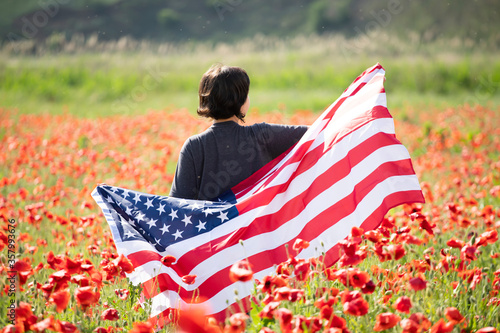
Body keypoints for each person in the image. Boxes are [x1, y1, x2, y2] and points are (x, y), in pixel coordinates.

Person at [169, 64, 308, 201]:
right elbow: (314, 133)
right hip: (255, 224)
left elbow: (177, 205)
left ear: (206, 100)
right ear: (240, 100)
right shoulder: (262, 135)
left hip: (212, 224)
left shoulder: (194, 146)